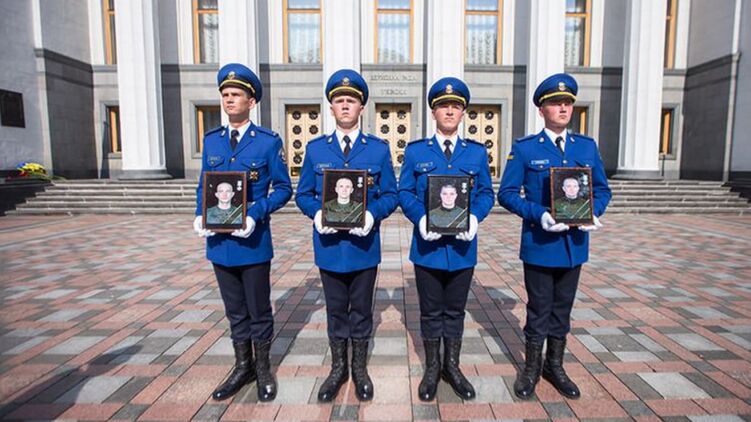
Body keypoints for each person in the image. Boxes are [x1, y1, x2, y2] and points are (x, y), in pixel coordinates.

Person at [497, 73, 612, 400]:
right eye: (555, 103)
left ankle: (555, 366)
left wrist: (593, 212)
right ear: (541, 109)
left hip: (573, 246)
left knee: (562, 309)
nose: (563, 108)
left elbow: (602, 189)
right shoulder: (525, 149)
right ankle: (532, 369)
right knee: (539, 308)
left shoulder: (586, 147)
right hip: (540, 244)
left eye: (567, 103)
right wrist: (540, 215)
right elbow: (507, 193)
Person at [295, 69, 398, 403]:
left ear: (361, 107)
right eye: (339, 100)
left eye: (351, 100)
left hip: (363, 246)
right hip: (329, 246)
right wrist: (317, 213)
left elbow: (391, 195)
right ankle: (338, 368)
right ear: (331, 107)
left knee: (362, 310)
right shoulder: (316, 150)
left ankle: (359, 369)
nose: (344, 105)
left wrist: (371, 214)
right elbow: (303, 194)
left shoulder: (377, 150)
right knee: (336, 309)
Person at [192, 63, 292, 402]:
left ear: (251, 101)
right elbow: (203, 185)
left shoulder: (267, 143)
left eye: (235, 94)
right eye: (225, 94)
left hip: (252, 243)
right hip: (220, 243)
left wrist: (255, 213)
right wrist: (199, 214)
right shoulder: (212, 141)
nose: (229, 99)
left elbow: (283, 189)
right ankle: (242, 366)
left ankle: (263, 369)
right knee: (234, 310)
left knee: (258, 309)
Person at [398, 77, 495, 401]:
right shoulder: (416, 152)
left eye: (455, 106)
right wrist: (421, 218)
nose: (449, 111)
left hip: (462, 248)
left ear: (463, 112)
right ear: (433, 112)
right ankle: (432, 368)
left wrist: (474, 217)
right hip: (428, 247)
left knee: (455, 310)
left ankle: (452, 366)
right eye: (443, 106)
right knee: (429, 311)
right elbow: (404, 192)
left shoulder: (476, 153)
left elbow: (486, 193)